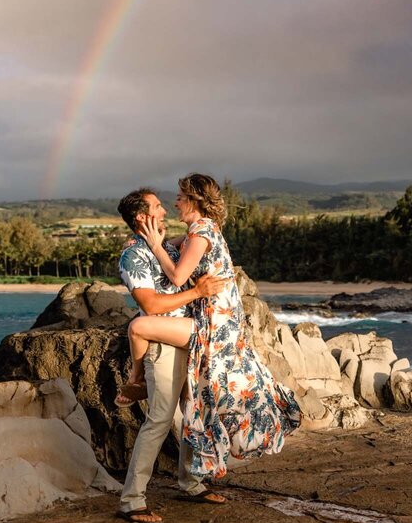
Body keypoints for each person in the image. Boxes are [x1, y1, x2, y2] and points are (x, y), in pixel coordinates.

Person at [128, 173, 302, 482]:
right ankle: (191, 480)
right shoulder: (201, 230)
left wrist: (154, 246)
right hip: (216, 318)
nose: (175, 203)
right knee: (200, 401)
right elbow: (171, 248)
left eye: (181, 197)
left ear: (194, 201)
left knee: (206, 395)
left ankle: (137, 380)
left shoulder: (201, 233)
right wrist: (149, 242)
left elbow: (179, 276)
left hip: (213, 322)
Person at [114, 187, 229, 523]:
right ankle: (131, 501)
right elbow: (149, 306)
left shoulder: (161, 246)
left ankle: (190, 482)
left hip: (189, 338)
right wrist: (196, 291)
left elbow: (194, 239)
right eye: (158, 206)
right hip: (163, 345)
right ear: (141, 217)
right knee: (160, 420)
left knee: (192, 410)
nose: (164, 210)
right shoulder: (132, 257)